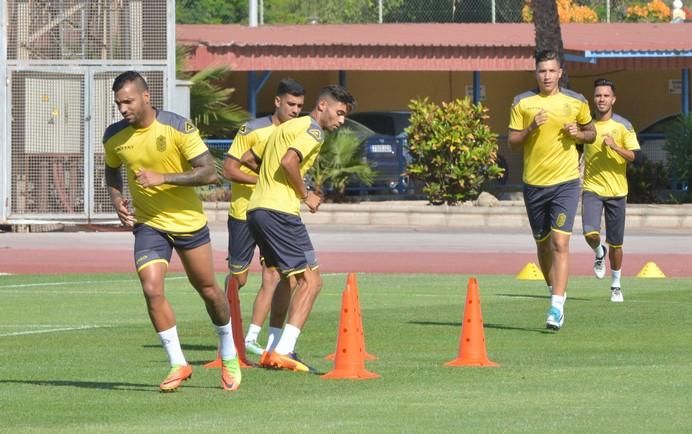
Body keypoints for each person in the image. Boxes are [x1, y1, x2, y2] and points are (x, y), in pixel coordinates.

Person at [103, 71, 240, 392]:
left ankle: (229, 352)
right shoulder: (114, 136)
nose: (123, 109)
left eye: (128, 101)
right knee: (151, 288)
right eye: (118, 103)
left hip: (188, 223)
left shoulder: (178, 127)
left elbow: (209, 173)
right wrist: (117, 199)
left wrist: (163, 178)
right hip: (149, 224)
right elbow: (110, 169)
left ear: (146, 97)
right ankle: (178, 363)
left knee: (207, 289)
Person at [241, 84, 355, 371]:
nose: (341, 120)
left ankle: (271, 349)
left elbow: (249, 159)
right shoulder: (312, 131)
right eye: (339, 113)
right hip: (280, 212)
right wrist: (306, 194)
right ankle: (286, 350)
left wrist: (269, 180)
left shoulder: (285, 127)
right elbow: (289, 161)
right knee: (312, 282)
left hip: (256, 209)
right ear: (322, 107)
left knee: (287, 279)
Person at [508, 50, 596, 331]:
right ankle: (554, 291)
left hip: (566, 183)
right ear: (536, 73)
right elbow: (512, 141)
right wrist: (531, 127)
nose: (546, 76)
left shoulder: (576, 101)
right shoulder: (523, 103)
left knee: (560, 243)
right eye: (541, 71)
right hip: (534, 184)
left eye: (551, 71)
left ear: (561, 72)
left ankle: (557, 306)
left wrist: (578, 135)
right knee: (543, 246)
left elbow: (591, 132)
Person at [223, 78, 305, 356]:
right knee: (240, 278)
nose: (295, 110)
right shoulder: (253, 129)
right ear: (277, 102)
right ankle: (226, 330)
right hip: (244, 212)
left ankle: (257, 339)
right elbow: (230, 168)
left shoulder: (297, 132)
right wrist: (262, 179)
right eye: (291, 104)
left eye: (299, 106)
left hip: (274, 213)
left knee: (278, 275)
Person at [582, 78, 641, 303]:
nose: (602, 99)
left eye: (606, 95)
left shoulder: (623, 126)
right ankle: (599, 253)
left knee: (616, 244)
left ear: (613, 99)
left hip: (617, 192)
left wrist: (616, 147)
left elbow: (636, 156)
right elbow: (576, 145)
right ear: (593, 98)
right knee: (590, 233)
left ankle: (616, 285)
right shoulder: (587, 125)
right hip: (592, 188)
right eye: (598, 95)